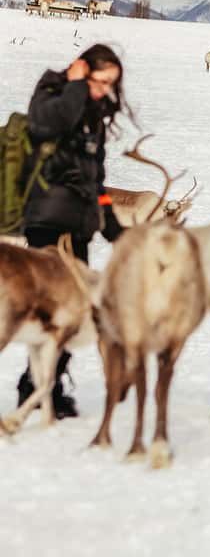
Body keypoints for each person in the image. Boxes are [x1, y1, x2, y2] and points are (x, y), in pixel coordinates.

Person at [15, 43, 129, 418]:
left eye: (109, 84)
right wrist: (77, 85)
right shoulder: (52, 90)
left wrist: (110, 223)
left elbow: (96, 174)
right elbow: (47, 124)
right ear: (82, 70)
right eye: (100, 81)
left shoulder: (92, 110)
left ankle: (42, 385)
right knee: (55, 310)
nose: (103, 90)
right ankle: (37, 387)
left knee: (70, 312)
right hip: (47, 221)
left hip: (78, 226)